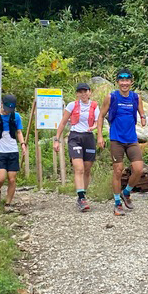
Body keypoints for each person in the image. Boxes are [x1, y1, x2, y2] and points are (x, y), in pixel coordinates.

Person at [97, 69, 147, 216]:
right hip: (116, 139)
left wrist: (143, 118)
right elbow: (100, 116)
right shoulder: (111, 97)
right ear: (118, 82)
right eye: (121, 80)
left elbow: (141, 111)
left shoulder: (136, 97)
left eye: (127, 80)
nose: (124, 83)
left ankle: (126, 192)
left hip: (131, 139)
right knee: (118, 170)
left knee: (138, 168)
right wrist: (100, 136)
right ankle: (117, 203)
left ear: (131, 82)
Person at [53, 83, 100, 212]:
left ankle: (83, 194)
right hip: (75, 137)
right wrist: (56, 139)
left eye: (85, 91)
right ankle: (81, 198)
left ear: (90, 92)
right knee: (78, 168)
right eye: (80, 92)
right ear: (77, 94)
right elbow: (63, 122)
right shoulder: (72, 105)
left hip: (89, 137)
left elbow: (98, 121)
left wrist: (95, 127)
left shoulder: (95, 106)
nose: (83, 94)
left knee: (87, 169)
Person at [0, 94, 27, 207]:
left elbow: (19, 132)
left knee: (12, 179)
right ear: (2, 104)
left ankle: (8, 204)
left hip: (12, 151)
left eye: (10, 109)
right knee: (1, 179)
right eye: (7, 109)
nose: (8, 112)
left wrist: (22, 144)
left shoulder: (15, 116)